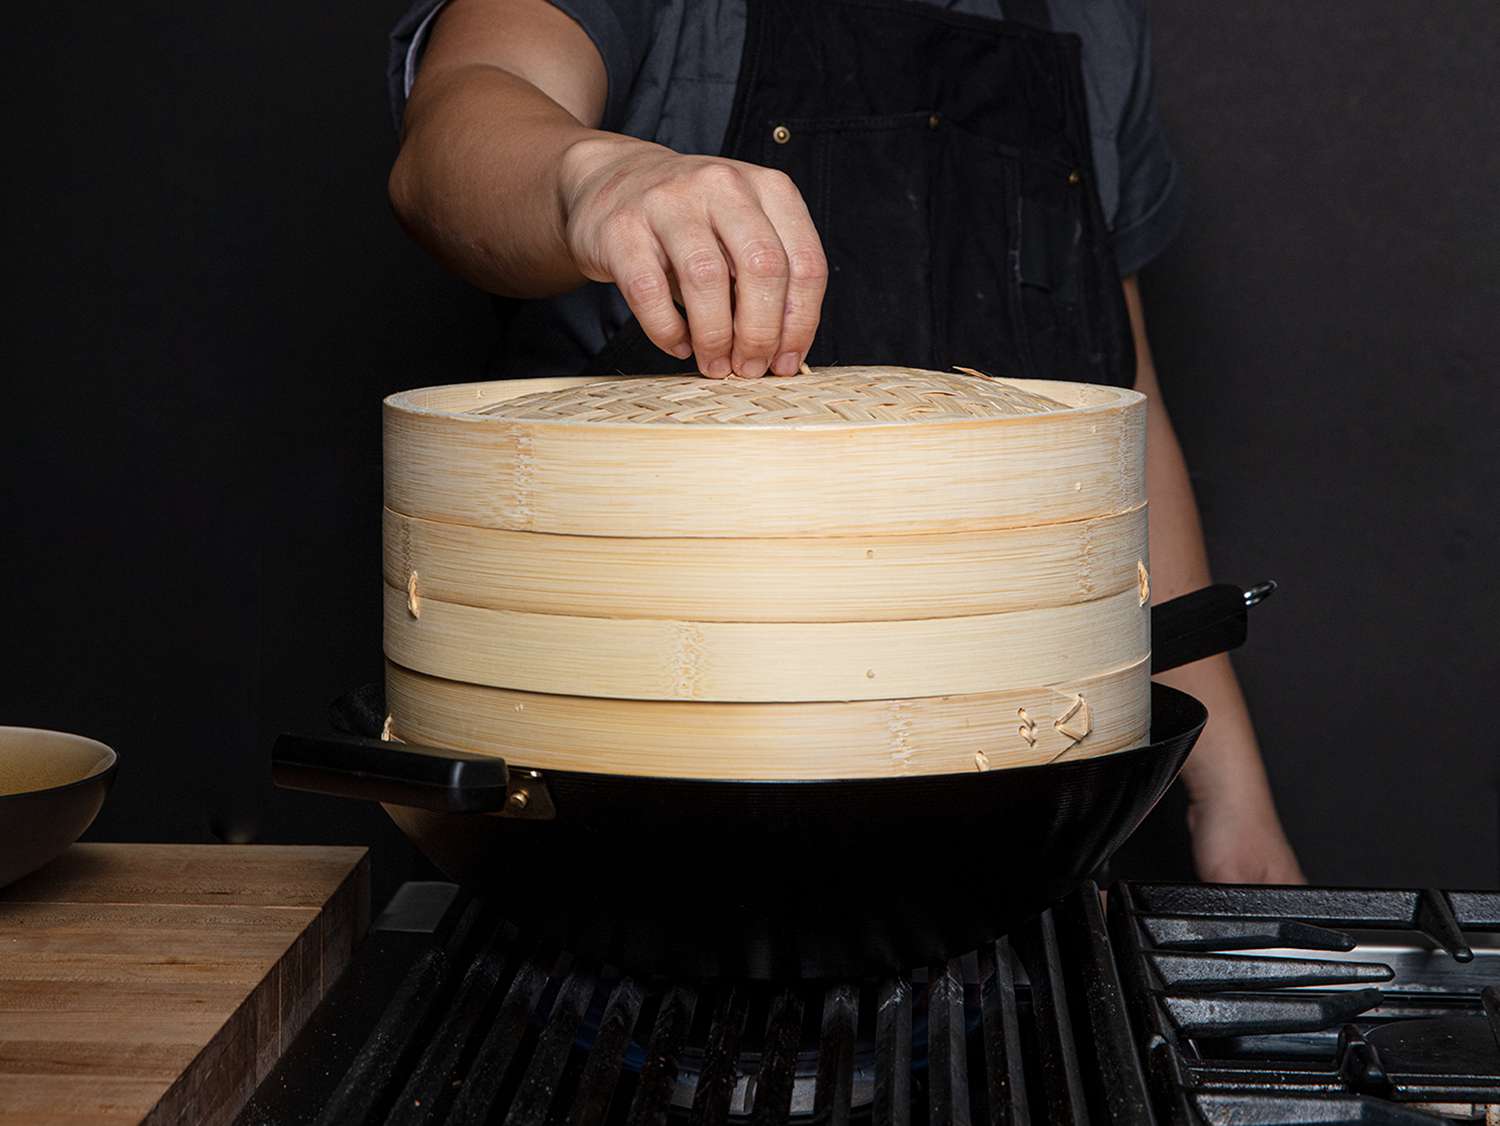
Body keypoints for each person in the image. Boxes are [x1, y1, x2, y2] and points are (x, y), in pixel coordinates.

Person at [384, 0, 1305, 882]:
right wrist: (593, 175)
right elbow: (457, 123)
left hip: (1024, 843)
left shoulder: (1094, 18)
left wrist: (1230, 799)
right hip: (626, 822)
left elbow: (1111, 426)